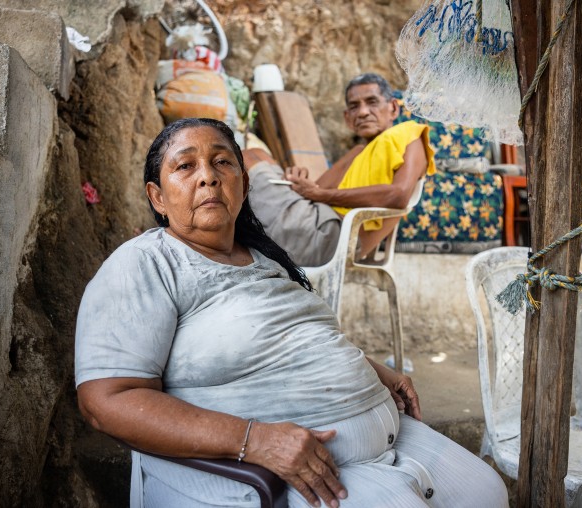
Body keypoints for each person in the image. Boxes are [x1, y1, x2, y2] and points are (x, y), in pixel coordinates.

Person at [75, 117, 508, 508]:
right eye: (185, 166)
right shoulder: (146, 263)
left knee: (489, 493)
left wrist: (373, 368)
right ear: (158, 196)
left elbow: (296, 337)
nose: (207, 176)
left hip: (391, 440)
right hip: (294, 474)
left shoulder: (266, 259)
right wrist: (253, 440)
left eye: (222, 162)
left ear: (244, 185)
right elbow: (106, 401)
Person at [244, 73, 435, 266]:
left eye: (372, 102)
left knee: (245, 158)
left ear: (393, 108)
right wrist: (298, 180)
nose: (362, 112)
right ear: (347, 117)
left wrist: (321, 195)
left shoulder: (410, 134)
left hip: (334, 239)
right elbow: (313, 192)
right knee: (257, 153)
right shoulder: (359, 152)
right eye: (354, 106)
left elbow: (399, 195)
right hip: (317, 221)